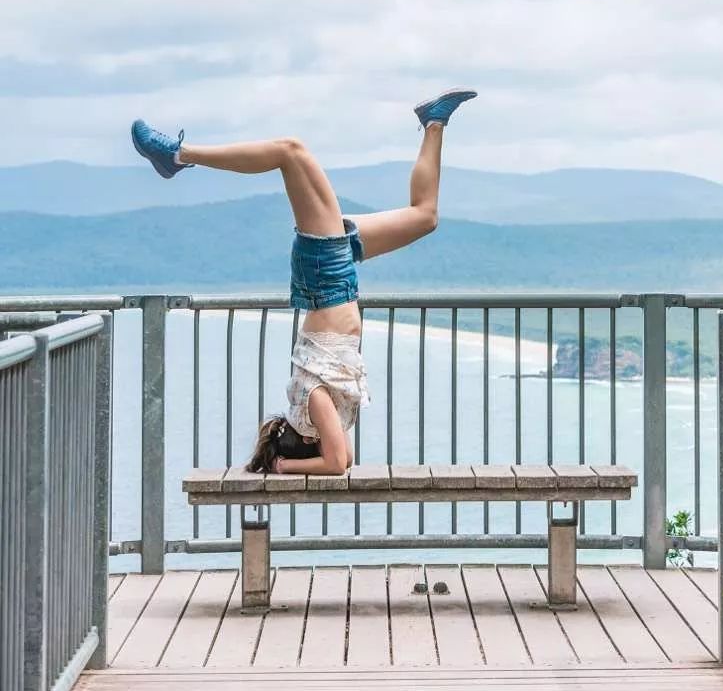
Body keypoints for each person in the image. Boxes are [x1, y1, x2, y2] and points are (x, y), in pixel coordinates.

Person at [129, 89, 476, 476]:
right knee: (424, 216)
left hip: (325, 277)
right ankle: (434, 121)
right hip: (337, 279)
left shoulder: (312, 400)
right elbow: (343, 460)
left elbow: (334, 464)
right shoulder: (329, 413)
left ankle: (176, 155)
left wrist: (283, 467)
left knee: (290, 151)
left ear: (308, 437)